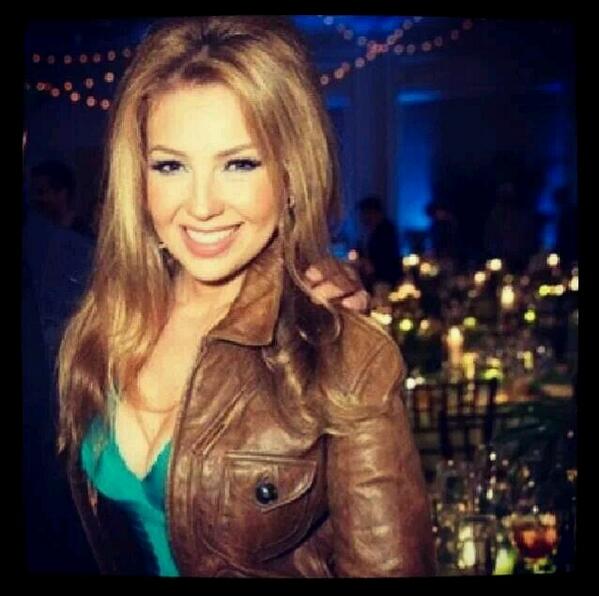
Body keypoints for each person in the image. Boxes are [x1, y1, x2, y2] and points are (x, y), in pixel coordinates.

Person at [57, 16, 435, 577]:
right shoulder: (104, 323)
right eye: (170, 165)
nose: (201, 205)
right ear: (139, 175)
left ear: (291, 172)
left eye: (239, 163)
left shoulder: (344, 351)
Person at [356, 195, 401, 294]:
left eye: (364, 213)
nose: (362, 218)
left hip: (385, 278)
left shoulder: (386, 230)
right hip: (376, 278)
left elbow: (386, 256)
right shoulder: (368, 230)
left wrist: (371, 265)